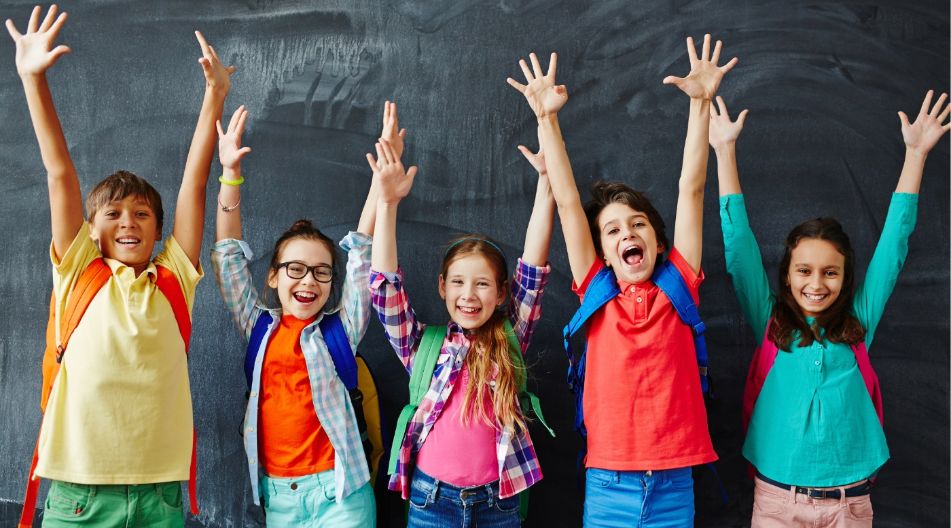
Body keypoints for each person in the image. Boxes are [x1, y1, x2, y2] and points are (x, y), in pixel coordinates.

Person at [7, 4, 234, 526]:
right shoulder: (80, 271)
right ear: (91, 229)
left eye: (141, 214)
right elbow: (59, 172)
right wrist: (32, 80)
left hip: (160, 494)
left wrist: (214, 98)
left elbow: (193, 185)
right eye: (112, 213)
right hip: (80, 491)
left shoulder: (173, 278)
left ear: (158, 230)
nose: (128, 221)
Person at [506, 35, 737, 526]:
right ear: (603, 253)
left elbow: (690, 189)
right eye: (612, 230)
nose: (626, 234)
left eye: (637, 225)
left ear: (657, 242)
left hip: (675, 483)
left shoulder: (679, 285)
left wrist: (700, 105)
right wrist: (546, 118)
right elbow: (569, 204)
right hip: (609, 482)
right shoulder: (597, 290)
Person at [711, 91, 949, 527]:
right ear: (787, 275)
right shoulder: (772, 322)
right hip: (778, 502)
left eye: (830, 273)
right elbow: (739, 249)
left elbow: (893, 247)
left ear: (846, 277)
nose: (816, 284)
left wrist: (915, 155)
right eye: (804, 271)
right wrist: (724, 151)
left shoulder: (858, 323)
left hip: (849, 504)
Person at [368, 130, 556, 526]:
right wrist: (387, 204)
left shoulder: (511, 339)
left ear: (502, 292)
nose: (469, 294)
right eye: (458, 282)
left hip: (498, 504)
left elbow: (533, 271)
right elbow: (385, 289)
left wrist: (547, 184)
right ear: (442, 286)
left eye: (482, 283)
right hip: (431, 501)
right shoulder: (424, 347)